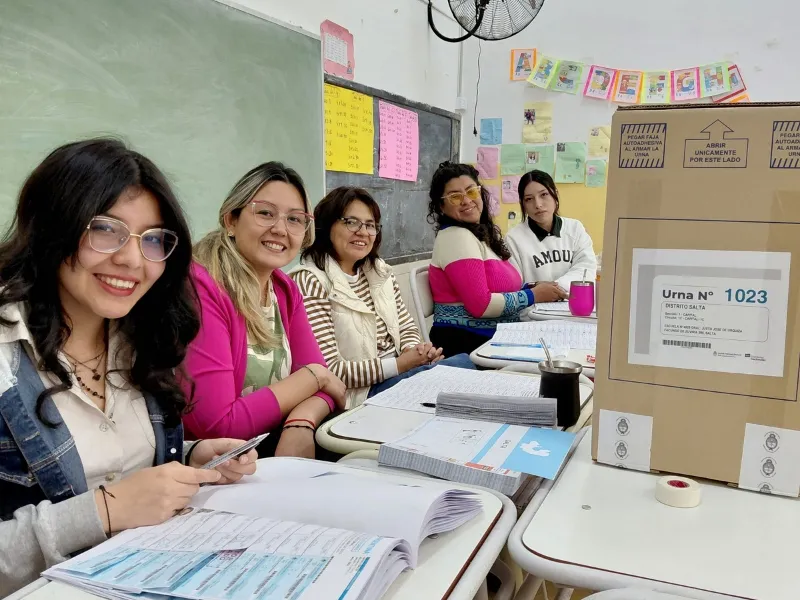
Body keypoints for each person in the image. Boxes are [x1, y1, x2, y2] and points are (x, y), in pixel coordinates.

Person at [0, 139, 256, 596]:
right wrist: (104, 511)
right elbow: (113, 495)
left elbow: (119, 464)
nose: (133, 259)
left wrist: (188, 456)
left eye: (153, 239)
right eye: (105, 229)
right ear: (53, 226)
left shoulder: (139, 338)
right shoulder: (6, 353)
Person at [186, 162, 346, 459]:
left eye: (295, 219)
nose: (280, 229)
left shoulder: (283, 289)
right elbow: (219, 427)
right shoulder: (201, 286)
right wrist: (312, 378)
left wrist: (302, 421)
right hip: (212, 467)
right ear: (231, 219)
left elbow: (326, 387)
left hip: (270, 447)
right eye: (265, 213)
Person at [292, 187, 475, 408]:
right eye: (351, 222)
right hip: (359, 395)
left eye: (370, 225)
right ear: (326, 225)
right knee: (463, 366)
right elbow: (329, 369)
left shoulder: (380, 271)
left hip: (397, 375)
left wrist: (414, 351)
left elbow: (406, 327)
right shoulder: (310, 280)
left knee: (463, 368)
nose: (363, 232)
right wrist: (399, 364)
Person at [426, 161, 536, 357]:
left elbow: (497, 289)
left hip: (491, 340)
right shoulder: (456, 236)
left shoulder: (479, 236)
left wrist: (532, 288)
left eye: (471, 191)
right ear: (441, 206)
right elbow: (481, 305)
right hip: (467, 345)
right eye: (455, 196)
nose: (466, 200)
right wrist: (533, 296)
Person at [505, 170, 597, 297]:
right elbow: (514, 285)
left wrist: (553, 288)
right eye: (529, 199)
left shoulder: (575, 228)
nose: (538, 204)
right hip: (533, 312)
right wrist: (539, 292)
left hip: (571, 307)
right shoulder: (513, 239)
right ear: (523, 204)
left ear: (555, 195)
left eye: (544, 195)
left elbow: (586, 269)